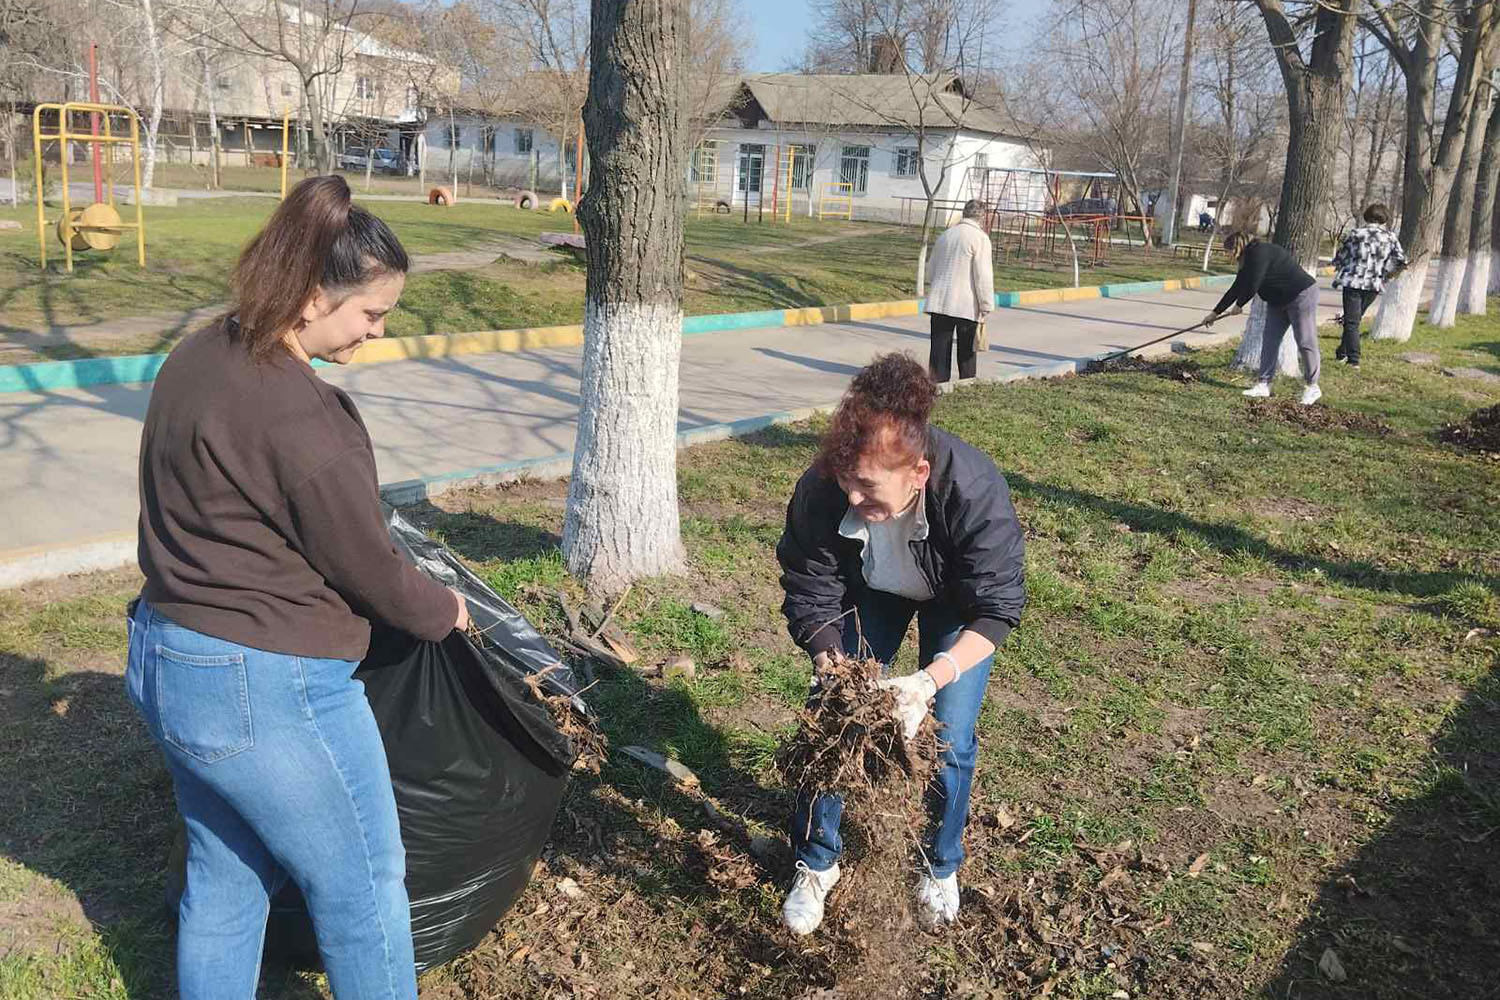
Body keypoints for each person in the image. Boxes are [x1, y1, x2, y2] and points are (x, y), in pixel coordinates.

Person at [126, 175, 470, 1000]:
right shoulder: (305, 420)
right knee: (363, 887)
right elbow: (371, 570)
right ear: (315, 297)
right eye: (371, 313)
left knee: (225, 879)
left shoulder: (198, 353)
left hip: (166, 655)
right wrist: (444, 610)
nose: (377, 331)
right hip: (263, 686)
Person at [775, 353, 1026, 935]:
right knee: (832, 716)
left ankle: (940, 865)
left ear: (918, 473)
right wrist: (831, 662)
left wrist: (927, 681)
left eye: (868, 486)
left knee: (951, 738)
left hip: (956, 603)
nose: (853, 498)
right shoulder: (824, 487)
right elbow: (810, 581)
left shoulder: (973, 489)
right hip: (873, 590)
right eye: (847, 482)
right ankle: (817, 862)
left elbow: (996, 608)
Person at [1202, 235, 1324, 406]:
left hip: (1301, 295)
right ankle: (1264, 384)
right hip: (1277, 300)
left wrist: (1239, 305)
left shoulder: (1260, 253)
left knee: (1305, 340)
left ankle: (1312, 386)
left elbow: (1254, 283)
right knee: (1269, 341)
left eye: (1227, 251)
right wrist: (1215, 313)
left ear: (1237, 247)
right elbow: (1236, 288)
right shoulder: (1247, 261)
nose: (1226, 255)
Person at [924, 199, 995, 383]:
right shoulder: (980, 238)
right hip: (966, 304)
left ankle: (937, 386)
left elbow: (930, 271)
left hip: (939, 302)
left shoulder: (945, 235)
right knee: (967, 352)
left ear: (964, 213)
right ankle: (966, 385)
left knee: (939, 350)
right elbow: (983, 275)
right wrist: (986, 304)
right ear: (982, 217)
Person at [1330, 202, 1407, 368]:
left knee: (1352, 322)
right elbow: (1401, 261)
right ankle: (1342, 352)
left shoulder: (1355, 234)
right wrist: (1387, 274)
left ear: (1366, 216)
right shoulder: (1390, 237)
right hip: (1374, 285)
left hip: (1353, 282)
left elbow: (1341, 257)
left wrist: (1339, 265)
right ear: (1384, 219)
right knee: (1354, 320)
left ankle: (1354, 359)